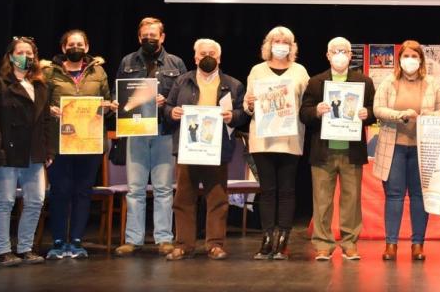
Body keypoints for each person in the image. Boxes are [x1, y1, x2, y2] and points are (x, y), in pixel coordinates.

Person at [163, 38, 245, 261]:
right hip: (188, 148)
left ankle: (215, 245)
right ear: (195, 57)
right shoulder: (182, 81)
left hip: (216, 149)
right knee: (184, 198)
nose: (207, 57)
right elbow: (168, 107)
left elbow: (242, 114)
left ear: (219, 58)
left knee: (217, 199)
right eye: (202, 53)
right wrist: (172, 112)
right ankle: (183, 245)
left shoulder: (233, 84)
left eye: (212, 54)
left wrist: (233, 116)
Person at [114, 17, 187, 257]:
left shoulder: (175, 63)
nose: (149, 39)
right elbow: (118, 93)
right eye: (145, 36)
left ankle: (164, 238)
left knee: (163, 188)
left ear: (162, 37)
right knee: (135, 189)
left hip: (164, 131)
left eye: (153, 36)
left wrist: (167, 101)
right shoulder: (127, 61)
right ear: (139, 37)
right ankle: (132, 239)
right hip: (135, 131)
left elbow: (183, 96)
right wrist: (117, 103)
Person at [299, 37, 376, 261]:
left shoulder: (364, 81)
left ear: (351, 55)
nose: (339, 55)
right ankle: (323, 244)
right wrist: (316, 111)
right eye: (335, 51)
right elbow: (304, 113)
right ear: (328, 55)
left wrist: (368, 114)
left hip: (352, 151)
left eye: (344, 51)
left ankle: (350, 243)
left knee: (352, 201)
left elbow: (374, 110)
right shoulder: (316, 82)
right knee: (322, 200)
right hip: (323, 151)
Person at [372, 40, 440, 261]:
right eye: (406, 56)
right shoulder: (388, 82)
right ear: (399, 59)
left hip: (422, 149)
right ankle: (391, 244)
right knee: (394, 196)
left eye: (414, 56)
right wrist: (400, 115)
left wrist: (430, 116)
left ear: (421, 60)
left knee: (419, 197)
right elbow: (378, 109)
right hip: (393, 148)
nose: (410, 60)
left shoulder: (432, 84)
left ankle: (418, 245)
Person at [238, 26, 310, 260]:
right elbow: (247, 106)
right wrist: (249, 103)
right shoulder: (257, 70)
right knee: (267, 191)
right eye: (276, 41)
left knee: (287, 190)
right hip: (263, 139)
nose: (281, 45)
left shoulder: (300, 71)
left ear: (292, 46)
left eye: (285, 41)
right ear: (268, 45)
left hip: (290, 139)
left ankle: (283, 240)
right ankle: (267, 238)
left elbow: (307, 104)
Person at [0, 36, 54, 266]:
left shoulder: (41, 86)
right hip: (6, 151)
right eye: (20, 53)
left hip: (33, 152)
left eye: (29, 53)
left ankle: (25, 248)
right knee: (5, 200)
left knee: (36, 201)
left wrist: (48, 151)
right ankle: (3, 250)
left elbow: (45, 121)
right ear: (11, 57)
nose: (25, 57)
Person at [44, 29, 115, 260]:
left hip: (89, 142)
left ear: (87, 47)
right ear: (63, 48)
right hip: (59, 142)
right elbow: (39, 104)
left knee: (83, 192)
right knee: (60, 191)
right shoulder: (49, 72)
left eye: (79, 44)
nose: (75, 48)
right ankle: (57, 241)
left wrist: (108, 106)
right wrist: (49, 110)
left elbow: (107, 100)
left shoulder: (98, 71)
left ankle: (76, 240)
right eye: (71, 44)